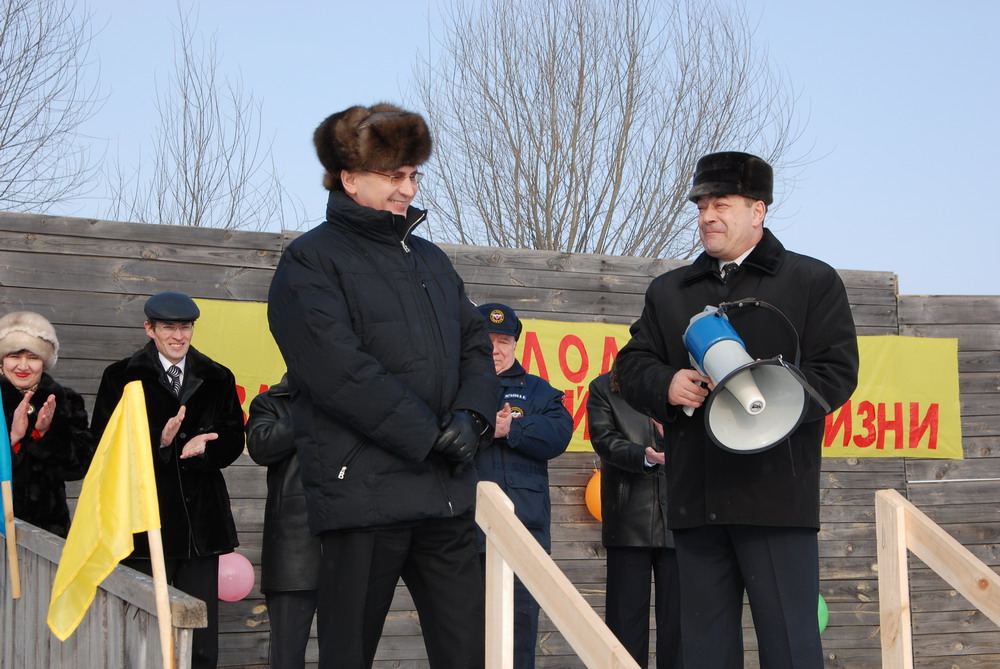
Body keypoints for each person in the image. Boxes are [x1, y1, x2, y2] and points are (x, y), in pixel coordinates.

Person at [267, 103, 499, 669]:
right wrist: (428, 435)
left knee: (470, 649)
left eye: (414, 174)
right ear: (350, 178)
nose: (408, 188)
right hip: (363, 495)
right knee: (348, 654)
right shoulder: (310, 260)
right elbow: (339, 373)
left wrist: (471, 418)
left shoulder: (431, 259)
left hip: (444, 494)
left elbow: (476, 345)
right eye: (394, 175)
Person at [615, 152, 859, 669]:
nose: (707, 216)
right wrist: (667, 382)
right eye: (701, 206)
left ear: (758, 211)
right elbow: (631, 366)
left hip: (776, 499)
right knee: (702, 651)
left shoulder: (811, 282)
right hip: (697, 502)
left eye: (721, 204)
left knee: (790, 646)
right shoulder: (669, 291)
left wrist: (771, 394)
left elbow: (836, 373)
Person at [91, 291, 245, 669]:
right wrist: (159, 442)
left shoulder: (218, 376)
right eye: (169, 327)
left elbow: (232, 439)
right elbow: (103, 448)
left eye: (186, 327)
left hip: (202, 530)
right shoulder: (120, 377)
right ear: (150, 329)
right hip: (145, 527)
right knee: (146, 633)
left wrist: (205, 448)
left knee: (201, 637)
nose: (179, 335)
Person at [473, 302, 572, 669]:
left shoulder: (538, 391)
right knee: (463, 639)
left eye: (504, 341)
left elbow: (560, 434)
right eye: (487, 340)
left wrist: (510, 428)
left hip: (523, 538)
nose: (495, 349)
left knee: (518, 641)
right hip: (462, 538)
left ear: (515, 345)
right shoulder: (452, 387)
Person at [588, 365, 682, 669]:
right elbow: (604, 440)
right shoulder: (604, 388)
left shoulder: (683, 386)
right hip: (628, 521)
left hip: (681, 522)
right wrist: (644, 455)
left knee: (680, 625)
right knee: (625, 625)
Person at [246, 374, 321, 669]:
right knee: (287, 657)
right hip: (293, 551)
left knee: (347, 654)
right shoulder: (270, 403)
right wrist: (309, 408)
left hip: (346, 544)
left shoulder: (354, 400)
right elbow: (261, 446)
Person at [0, 311, 95, 538]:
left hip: (48, 532)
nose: (23, 365)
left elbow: (80, 466)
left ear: (44, 362)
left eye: (33, 357)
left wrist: (44, 435)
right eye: (15, 355)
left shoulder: (65, 401)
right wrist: (12, 437)